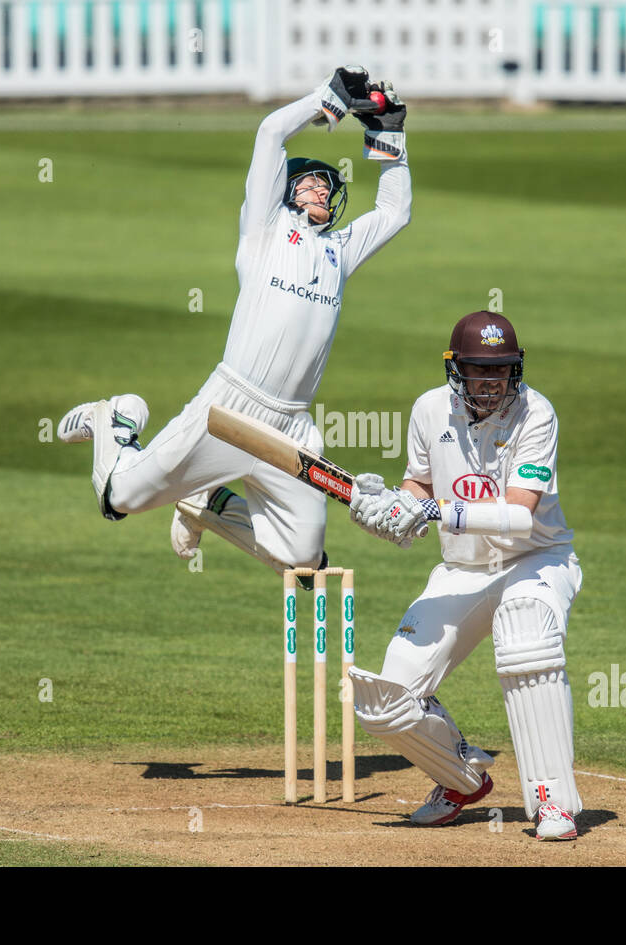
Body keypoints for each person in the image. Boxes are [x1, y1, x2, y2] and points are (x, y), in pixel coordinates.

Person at [57, 66, 410, 580]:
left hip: (292, 427)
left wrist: (389, 133)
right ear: (287, 192)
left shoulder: (338, 251)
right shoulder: (263, 233)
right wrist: (324, 100)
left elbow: (394, 211)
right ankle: (114, 419)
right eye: (313, 183)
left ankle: (207, 504)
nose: (323, 193)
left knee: (304, 563)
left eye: (329, 187)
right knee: (118, 497)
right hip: (231, 410)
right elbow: (271, 132)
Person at [345, 311, 585, 840]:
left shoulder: (535, 413)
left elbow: (521, 513)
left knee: (525, 638)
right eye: (479, 370)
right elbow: (418, 485)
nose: (491, 382)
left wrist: (434, 512)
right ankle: (460, 778)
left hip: (535, 560)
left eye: (500, 371)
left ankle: (552, 802)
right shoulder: (430, 409)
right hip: (462, 567)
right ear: (456, 369)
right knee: (384, 702)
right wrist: (389, 508)